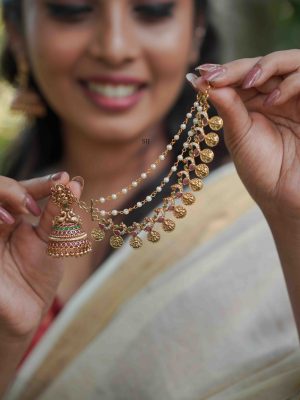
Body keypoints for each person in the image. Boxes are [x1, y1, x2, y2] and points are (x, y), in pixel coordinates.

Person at [0, 0, 300, 399]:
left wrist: (292, 220)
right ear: (18, 35)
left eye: (153, 10)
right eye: (71, 10)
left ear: (196, 33)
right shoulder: (8, 219)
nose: (115, 47)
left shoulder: (256, 214)